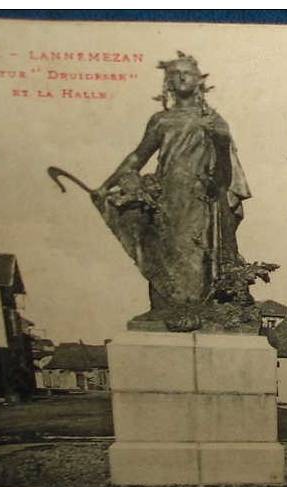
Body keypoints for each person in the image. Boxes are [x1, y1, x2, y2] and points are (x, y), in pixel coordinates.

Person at [94, 52, 251, 309]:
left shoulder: (212, 120)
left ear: (199, 80)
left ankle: (202, 308)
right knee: (162, 249)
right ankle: (164, 309)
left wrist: (221, 140)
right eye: (174, 73)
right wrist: (105, 186)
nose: (180, 77)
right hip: (166, 196)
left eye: (186, 72)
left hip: (200, 199)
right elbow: (137, 157)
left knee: (198, 253)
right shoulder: (160, 120)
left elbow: (225, 169)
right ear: (167, 82)